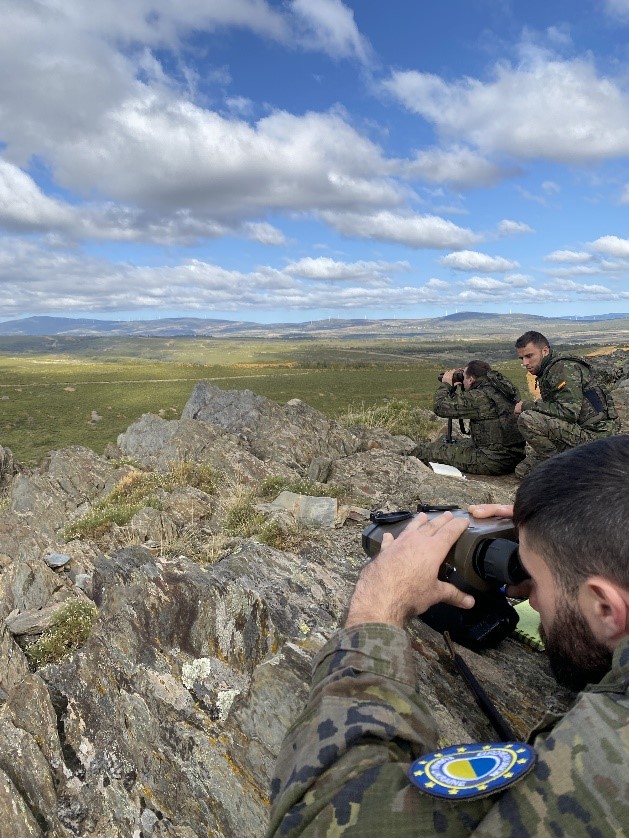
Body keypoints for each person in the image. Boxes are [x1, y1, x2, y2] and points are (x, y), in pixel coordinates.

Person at [268, 436, 629, 836]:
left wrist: (377, 608)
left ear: (607, 609)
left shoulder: (604, 757)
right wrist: (556, 533)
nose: (533, 600)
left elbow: (319, 821)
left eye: (536, 581)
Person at [513, 330, 620, 477]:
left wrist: (526, 405)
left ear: (545, 351)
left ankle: (565, 470)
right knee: (523, 470)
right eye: (522, 358)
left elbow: (569, 412)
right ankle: (571, 464)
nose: (525, 363)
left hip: (596, 438)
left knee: (527, 419)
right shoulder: (550, 369)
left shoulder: (563, 368)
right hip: (583, 431)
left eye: (529, 356)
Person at [413, 360, 524, 475]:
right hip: (513, 455)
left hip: (492, 460)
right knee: (445, 441)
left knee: (427, 451)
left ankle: (397, 458)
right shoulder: (501, 388)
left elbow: (440, 407)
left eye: (464, 376)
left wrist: (446, 384)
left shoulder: (479, 396)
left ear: (471, 380)